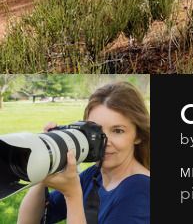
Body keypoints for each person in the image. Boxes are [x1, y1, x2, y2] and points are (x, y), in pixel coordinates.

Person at [17, 81, 150, 224]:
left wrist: (72, 195)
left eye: (118, 131)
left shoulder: (141, 190)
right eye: (96, 131)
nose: (104, 142)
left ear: (138, 135)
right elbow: (29, 221)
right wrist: (47, 164)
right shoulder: (94, 176)